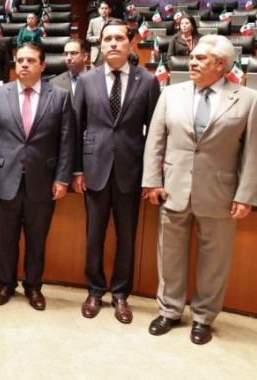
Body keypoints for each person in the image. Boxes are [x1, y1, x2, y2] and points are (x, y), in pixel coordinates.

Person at [142, 35, 257, 345]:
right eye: (191, 57)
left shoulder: (247, 98)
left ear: (221, 64)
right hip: (173, 189)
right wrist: (152, 181)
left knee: (215, 260)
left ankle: (204, 317)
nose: (192, 62)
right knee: (169, 255)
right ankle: (169, 310)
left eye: (201, 58)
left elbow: (252, 152)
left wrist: (246, 195)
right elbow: (156, 141)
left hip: (220, 194)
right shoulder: (171, 93)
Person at [73, 19, 160, 324]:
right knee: (93, 235)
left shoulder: (147, 82)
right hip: (95, 169)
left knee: (127, 236)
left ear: (130, 43)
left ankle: (121, 293)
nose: (112, 43)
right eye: (107, 38)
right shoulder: (86, 80)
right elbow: (76, 127)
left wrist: (151, 176)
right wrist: (77, 170)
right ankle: (95, 290)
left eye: (118, 38)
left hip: (130, 171)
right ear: (100, 44)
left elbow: (155, 133)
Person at [0, 43, 74, 308]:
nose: (24, 64)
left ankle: (34, 287)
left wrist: (62, 178)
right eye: (20, 60)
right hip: (3, 179)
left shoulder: (60, 96)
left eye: (30, 60)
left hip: (42, 181)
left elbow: (66, 141)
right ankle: (5, 284)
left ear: (42, 65)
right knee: (5, 239)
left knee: (36, 240)